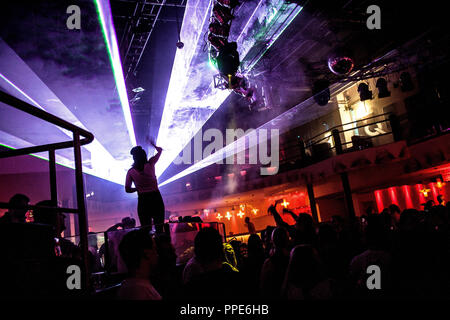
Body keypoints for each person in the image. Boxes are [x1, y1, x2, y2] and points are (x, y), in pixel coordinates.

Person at [125, 138, 165, 233]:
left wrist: (137, 188)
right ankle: (161, 245)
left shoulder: (131, 172)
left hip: (143, 200)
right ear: (144, 155)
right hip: (156, 198)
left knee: (146, 228)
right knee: (159, 226)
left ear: (134, 158)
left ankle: (148, 246)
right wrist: (153, 145)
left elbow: (127, 189)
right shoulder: (151, 163)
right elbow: (160, 150)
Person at [117, 229, 161, 300]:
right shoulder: (141, 290)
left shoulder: (128, 286)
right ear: (147, 253)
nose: (157, 254)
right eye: (154, 249)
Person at [260, 227, 290, 299]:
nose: (265, 239)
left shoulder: (268, 262)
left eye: (267, 236)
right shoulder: (293, 257)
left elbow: (263, 286)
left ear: (272, 240)